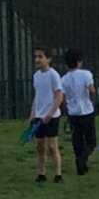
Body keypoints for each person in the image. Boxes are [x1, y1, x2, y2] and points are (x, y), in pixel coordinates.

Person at [30, 46, 64, 183]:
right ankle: (41, 174)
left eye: (40, 57)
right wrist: (33, 113)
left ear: (48, 59)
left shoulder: (53, 75)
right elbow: (37, 96)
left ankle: (58, 174)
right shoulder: (36, 76)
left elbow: (59, 96)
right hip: (39, 116)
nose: (37, 60)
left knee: (52, 146)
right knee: (40, 146)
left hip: (52, 116)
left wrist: (50, 114)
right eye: (36, 57)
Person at [62, 49, 97, 176]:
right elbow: (91, 90)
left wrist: (66, 109)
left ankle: (81, 164)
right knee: (91, 141)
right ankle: (82, 159)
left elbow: (63, 98)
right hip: (86, 110)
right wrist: (92, 100)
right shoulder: (86, 74)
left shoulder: (64, 79)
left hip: (73, 112)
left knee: (77, 139)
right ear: (79, 62)